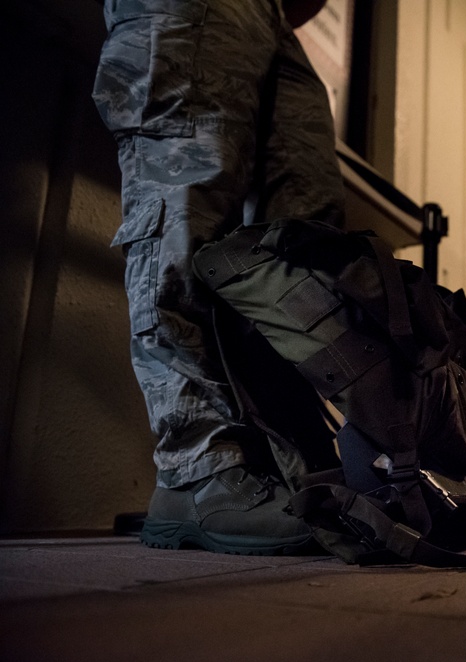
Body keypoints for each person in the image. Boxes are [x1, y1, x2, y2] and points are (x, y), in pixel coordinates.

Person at [92, 0, 345, 554]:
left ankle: (289, 467)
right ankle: (198, 470)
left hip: (275, 16)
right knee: (187, 200)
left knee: (303, 238)